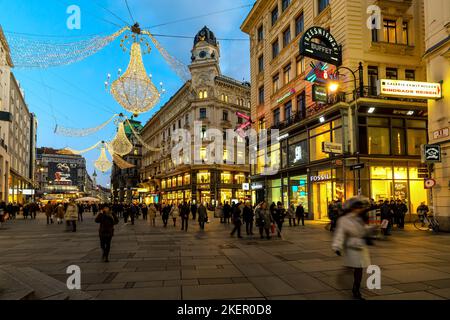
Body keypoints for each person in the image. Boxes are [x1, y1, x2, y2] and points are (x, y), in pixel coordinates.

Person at [332, 196, 374, 300]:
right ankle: (353, 288)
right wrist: (337, 246)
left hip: (361, 246)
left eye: (361, 207)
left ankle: (356, 289)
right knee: (354, 268)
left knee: (359, 269)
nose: (360, 209)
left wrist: (372, 229)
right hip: (351, 247)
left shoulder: (361, 218)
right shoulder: (344, 220)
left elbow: (364, 230)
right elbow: (339, 234)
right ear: (352, 208)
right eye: (358, 207)